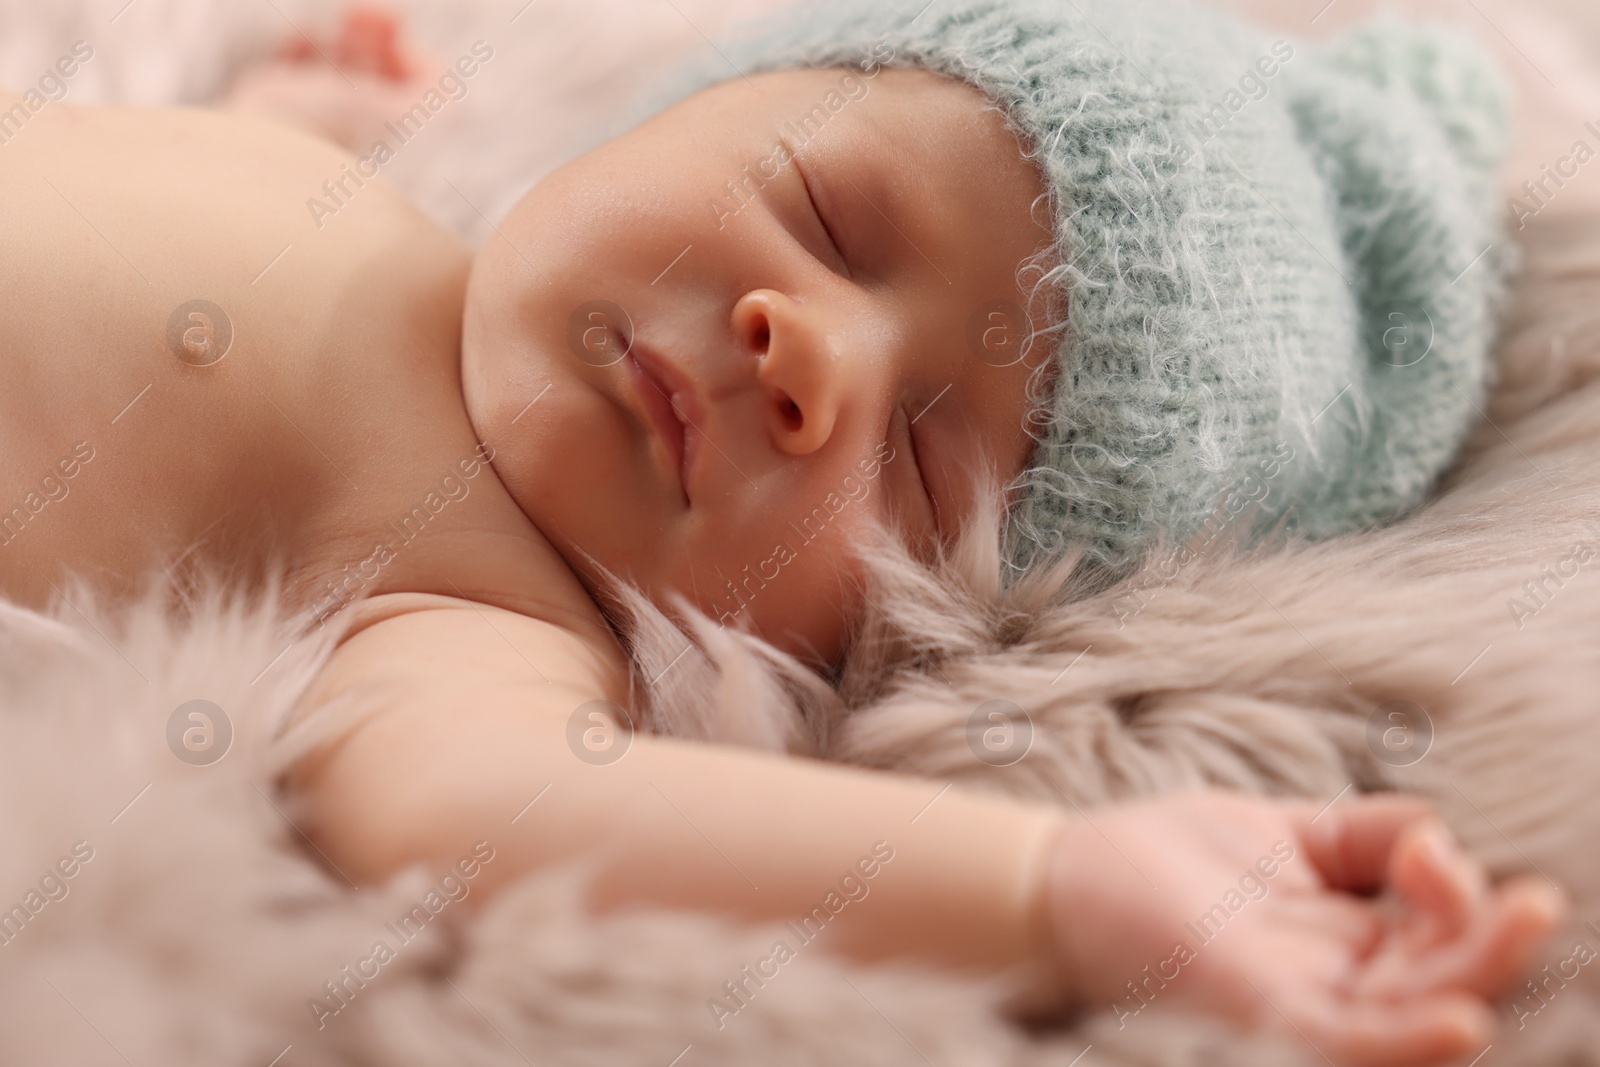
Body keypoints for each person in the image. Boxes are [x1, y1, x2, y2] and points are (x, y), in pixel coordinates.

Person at [1, 0, 1583, 1061]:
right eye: (831, 219)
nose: (813, 356)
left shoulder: (477, 604)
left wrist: (1056, 886)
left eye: (920, 462)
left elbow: (477, 812)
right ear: (708, 102)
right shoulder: (378, 209)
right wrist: (295, 109)